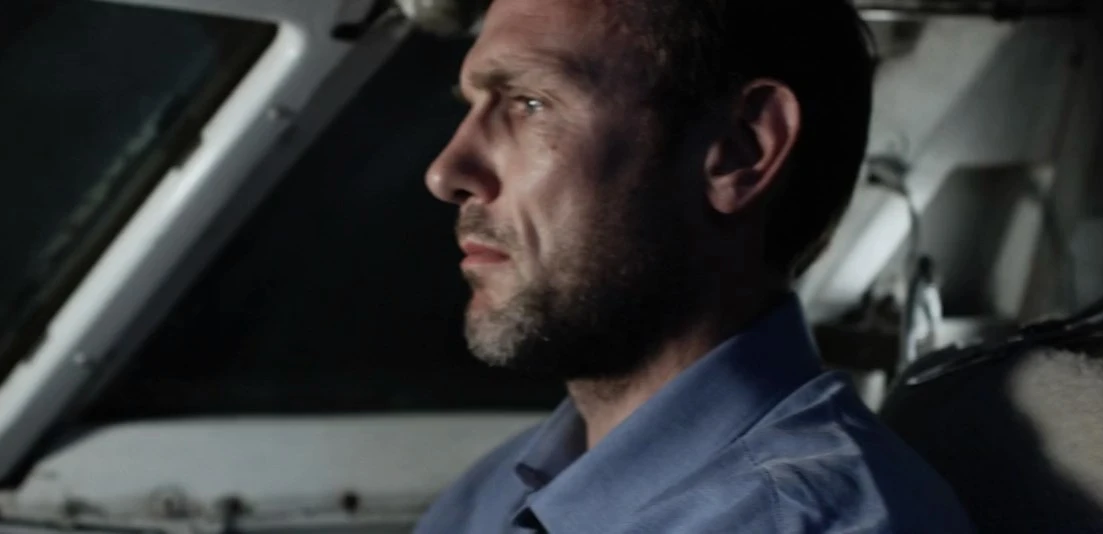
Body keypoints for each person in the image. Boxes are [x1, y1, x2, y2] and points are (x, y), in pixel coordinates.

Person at [415, 0, 974, 532]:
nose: (445, 172)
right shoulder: (490, 494)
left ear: (739, 150)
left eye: (530, 103)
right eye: (472, 106)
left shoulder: (821, 523)